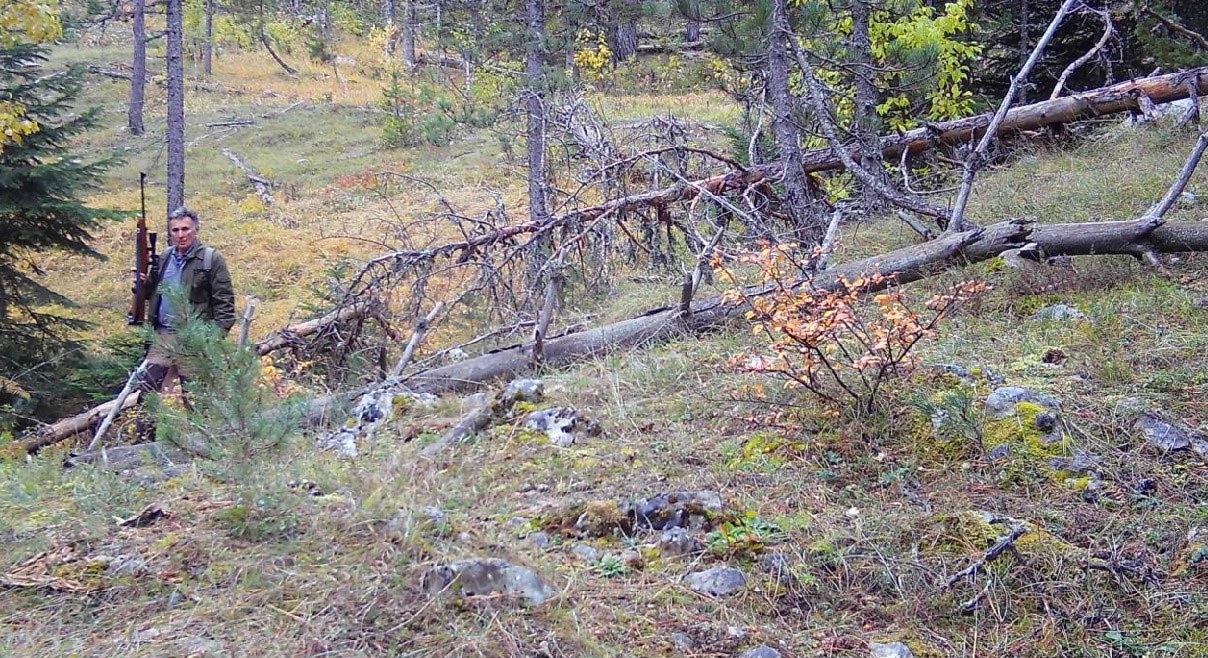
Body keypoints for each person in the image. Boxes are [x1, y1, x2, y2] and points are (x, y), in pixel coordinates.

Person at [137, 206, 235, 412]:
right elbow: (152, 293)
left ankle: (200, 433)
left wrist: (211, 340)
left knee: (196, 399)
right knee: (147, 393)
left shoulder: (210, 259)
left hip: (194, 338)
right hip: (163, 337)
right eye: (175, 230)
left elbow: (225, 306)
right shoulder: (165, 258)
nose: (181, 235)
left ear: (196, 229)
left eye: (185, 229)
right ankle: (145, 433)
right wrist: (141, 284)